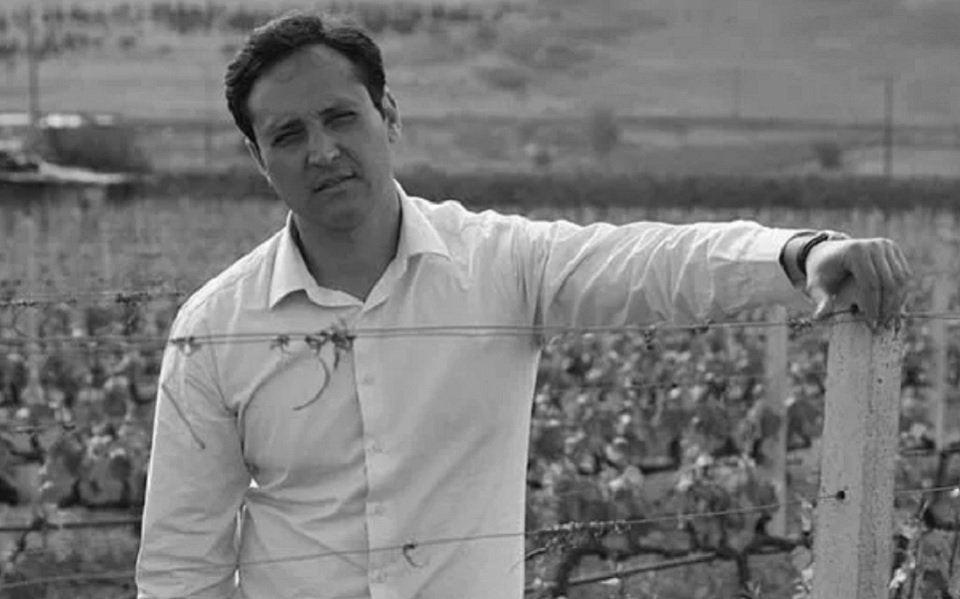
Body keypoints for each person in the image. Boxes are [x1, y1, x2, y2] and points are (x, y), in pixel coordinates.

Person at [135, 10, 912, 599]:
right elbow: (181, 565)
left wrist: (797, 254)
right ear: (258, 158)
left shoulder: (499, 264)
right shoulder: (214, 328)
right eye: (288, 134)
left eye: (341, 117)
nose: (322, 151)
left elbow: (649, 262)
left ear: (388, 115)